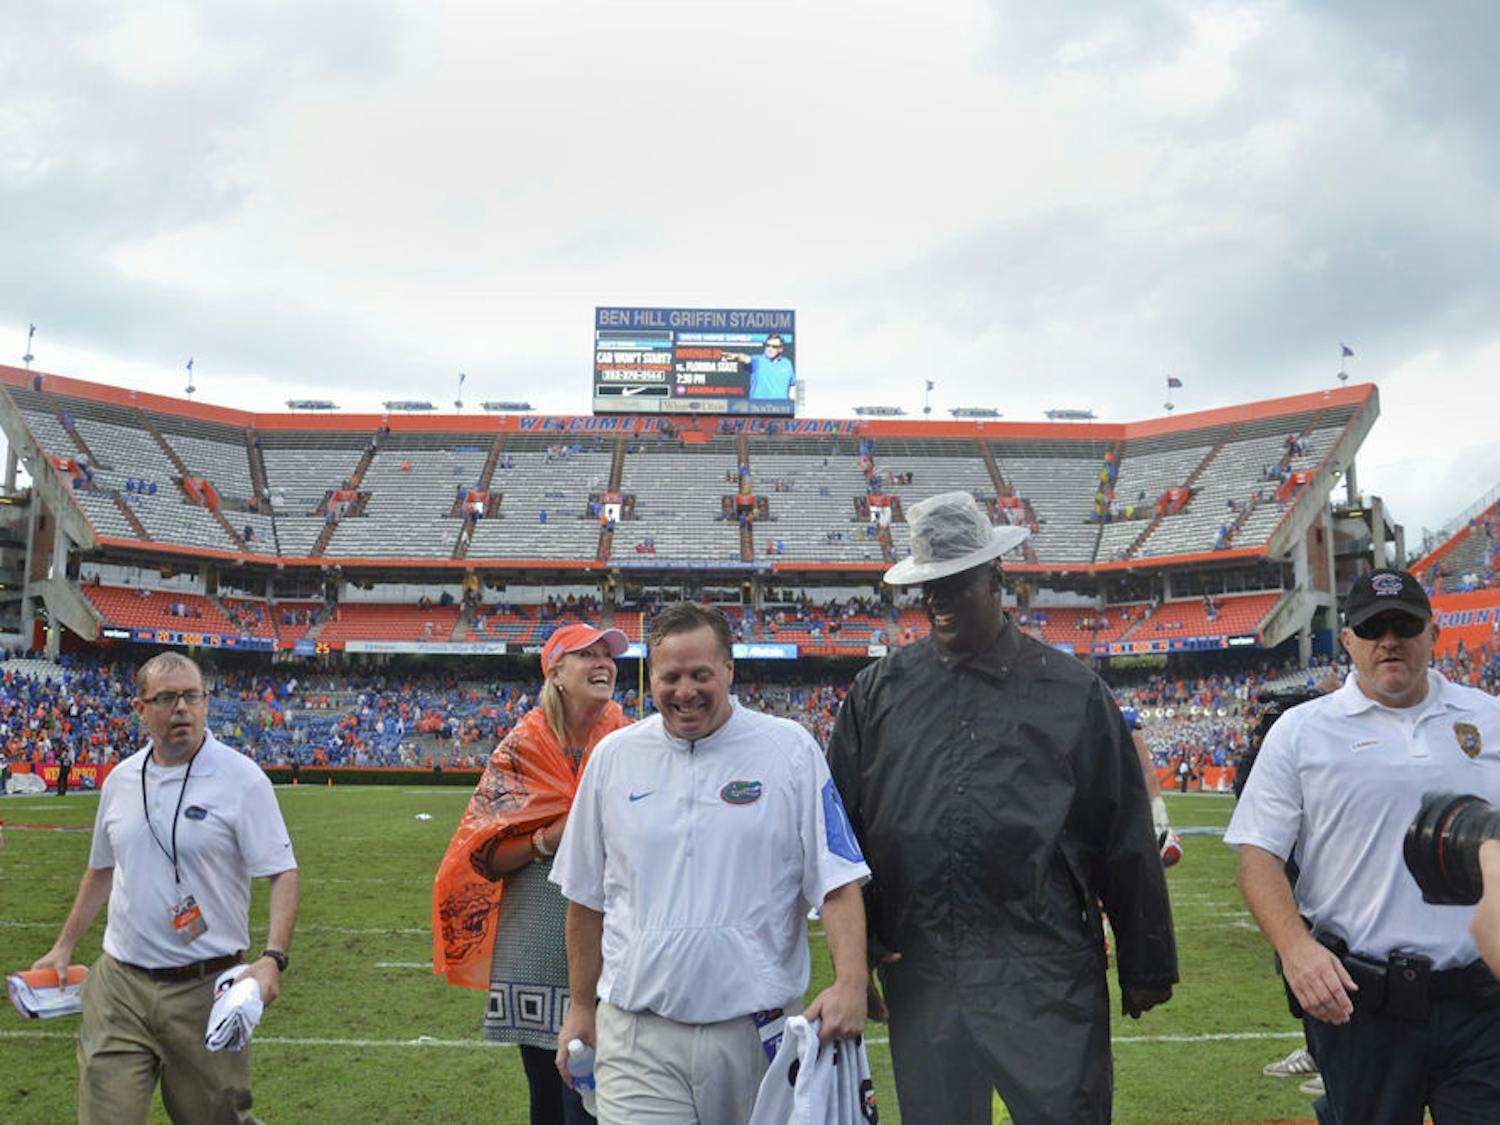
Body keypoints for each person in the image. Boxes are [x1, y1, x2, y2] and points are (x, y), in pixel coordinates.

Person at [826, 490, 1177, 1124]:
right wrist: (865, 944)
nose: (937, 600)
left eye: (955, 583)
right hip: (924, 968)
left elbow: (1122, 832)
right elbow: (843, 832)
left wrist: (1147, 959)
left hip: (1043, 968)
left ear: (997, 578)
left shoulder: (1071, 692)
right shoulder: (878, 693)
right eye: (926, 587)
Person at [550, 602, 871, 1124]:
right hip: (637, 1034)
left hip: (755, 1035)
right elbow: (586, 899)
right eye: (670, 676)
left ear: (729, 670)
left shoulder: (788, 750)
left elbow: (836, 881)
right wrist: (581, 1007)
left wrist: (851, 982)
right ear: (649, 677)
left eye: (701, 674)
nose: (685, 691)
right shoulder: (613, 757)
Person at [1226, 568, 1500, 1123]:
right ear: (1348, 640)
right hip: (1362, 1004)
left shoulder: (1489, 720)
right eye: (1373, 629)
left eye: (1404, 624)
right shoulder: (1300, 732)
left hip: (1482, 1004)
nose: (1389, 640)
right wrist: (1296, 948)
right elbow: (1258, 857)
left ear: (1433, 632)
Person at [31, 652, 299, 1123]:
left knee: (215, 1117)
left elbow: (282, 872)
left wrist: (274, 957)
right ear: (140, 709)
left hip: (205, 991)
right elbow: (100, 870)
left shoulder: (243, 780)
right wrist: (62, 948)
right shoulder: (119, 781)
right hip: (119, 986)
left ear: (206, 703)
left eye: (191, 696)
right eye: (167, 698)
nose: (181, 708)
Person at [432, 623, 630, 1125]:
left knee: (608, 1095)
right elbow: (485, 856)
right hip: (538, 941)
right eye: (588, 655)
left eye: (608, 655)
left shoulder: (630, 741)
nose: (603, 662)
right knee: (548, 1095)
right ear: (557, 673)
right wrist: (550, 838)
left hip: (614, 934)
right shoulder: (521, 749)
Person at [725, 335, 796, 402]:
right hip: (757, 408)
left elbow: (792, 385)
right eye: (767, 345)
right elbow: (745, 358)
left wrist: (792, 405)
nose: (770, 349)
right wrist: (737, 356)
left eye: (774, 346)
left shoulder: (787, 363)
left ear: (781, 349)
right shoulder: (757, 360)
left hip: (781, 410)